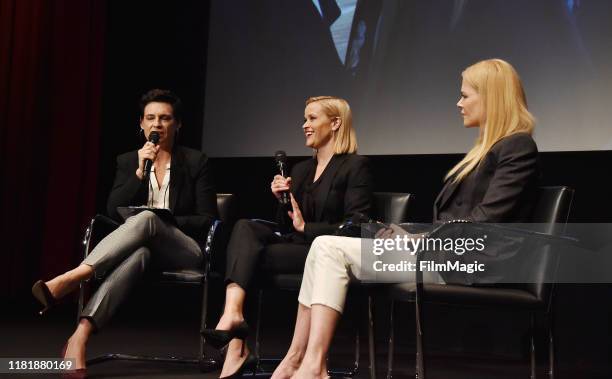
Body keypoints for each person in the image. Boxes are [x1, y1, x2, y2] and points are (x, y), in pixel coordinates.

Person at [271, 58, 540, 379]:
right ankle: (297, 359)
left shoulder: (517, 147)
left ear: (492, 97)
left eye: (466, 95)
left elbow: (486, 219)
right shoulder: (489, 149)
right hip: (443, 256)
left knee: (329, 248)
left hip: (468, 264)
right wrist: (409, 232)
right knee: (323, 247)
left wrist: (420, 239)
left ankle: (311, 366)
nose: (459, 103)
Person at [31, 89, 217, 370]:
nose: (157, 124)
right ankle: (79, 338)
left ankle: (74, 276)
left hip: (183, 250)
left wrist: (162, 221)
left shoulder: (195, 161)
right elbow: (112, 210)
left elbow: (206, 218)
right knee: (139, 252)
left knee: (147, 219)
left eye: (165, 118)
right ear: (141, 124)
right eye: (150, 118)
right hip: (142, 251)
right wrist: (140, 174)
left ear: (177, 125)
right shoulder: (129, 161)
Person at [202, 96, 373, 379]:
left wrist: (307, 229)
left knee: (244, 255)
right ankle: (233, 316)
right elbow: (286, 225)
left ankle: (236, 346)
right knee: (244, 227)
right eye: (304, 119)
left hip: (324, 254)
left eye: (312, 118)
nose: (304, 125)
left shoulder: (356, 166)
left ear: (335, 123)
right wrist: (281, 201)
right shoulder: (301, 169)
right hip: (295, 246)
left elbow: (357, 225)